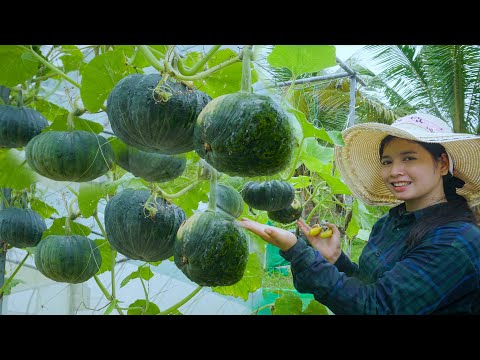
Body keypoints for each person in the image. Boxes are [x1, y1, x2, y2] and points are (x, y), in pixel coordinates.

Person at [238, 113, 480, 315]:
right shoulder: (389, 223)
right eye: (387, 162)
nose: (395, 171)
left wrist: (296, 250)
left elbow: (376, 307)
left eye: (409, 158)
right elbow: (369, 285)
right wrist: (336, 260)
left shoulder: (456, 240)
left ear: (443, 164)